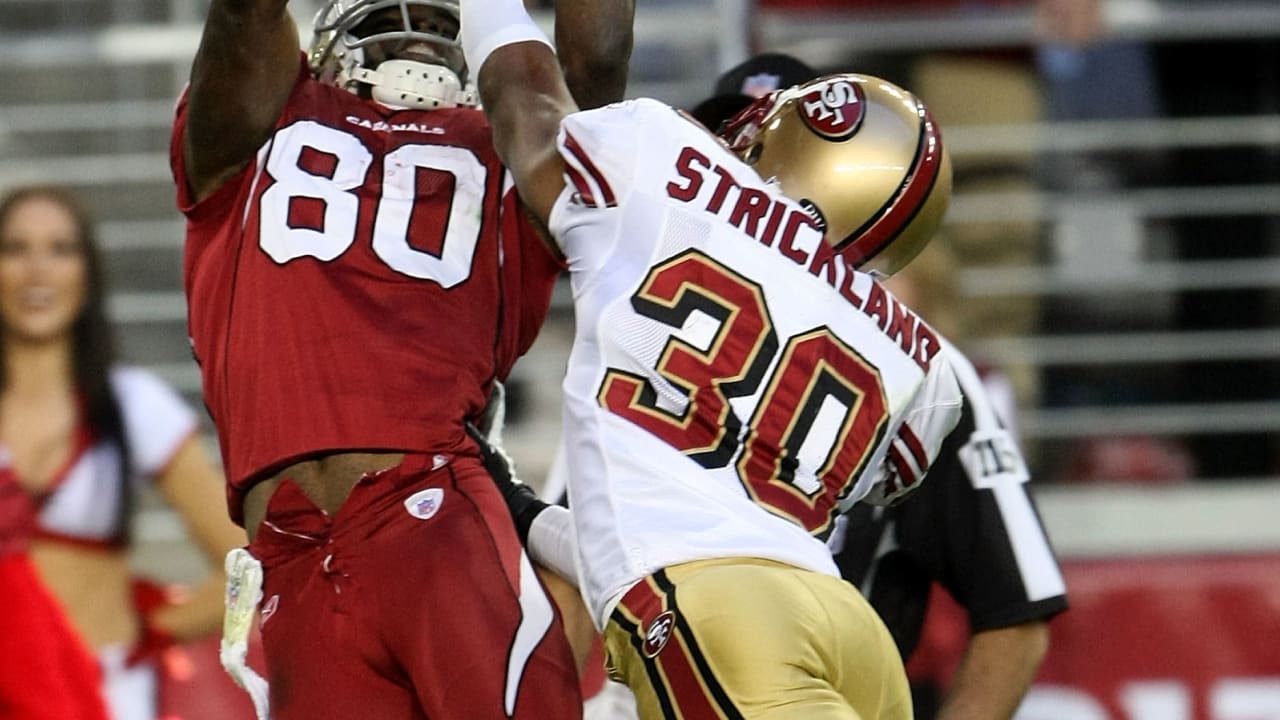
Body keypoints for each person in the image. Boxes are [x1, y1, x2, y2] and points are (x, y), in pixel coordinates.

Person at [458, 0, 966, 715]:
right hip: (850, 632)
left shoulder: (663, 157)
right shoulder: (925, 361)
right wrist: (522, 510)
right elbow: (710, 528)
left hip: (725, 622)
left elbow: (525, 95)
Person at [170, 0, 632, 716]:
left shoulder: (512, 144)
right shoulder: (255, 120)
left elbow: (594, 63)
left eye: (445, 26)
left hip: (434, 519)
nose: (417, 26)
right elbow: (242, 16)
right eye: (393, 9)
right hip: (291, 553)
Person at [696, 55, 1070, 720]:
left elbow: (1014, 611)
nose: (764, 177)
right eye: (743, 145)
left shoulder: (925, 375)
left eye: (783, 148)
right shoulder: (653, 304)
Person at [0, 185, 245, 720]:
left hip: (108, 692)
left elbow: (243, 561)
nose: (36, 270)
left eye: (60, 249)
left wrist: (153, 627)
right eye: (15, 248)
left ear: (86, 275)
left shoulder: (133, 404)